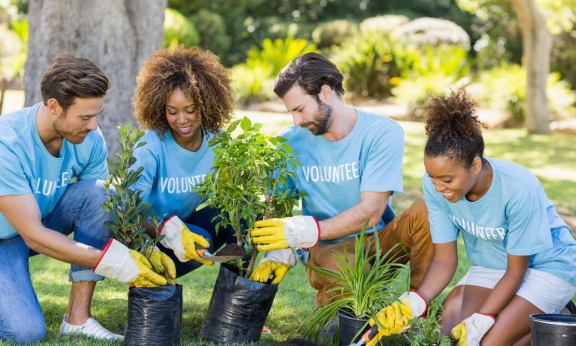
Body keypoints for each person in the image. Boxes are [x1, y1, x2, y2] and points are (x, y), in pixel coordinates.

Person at [366, 90, 576, 346]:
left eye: (447, 179)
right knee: (440, 335)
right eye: (432, 178)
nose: (438, 187)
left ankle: (554, 322)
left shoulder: (519, 189)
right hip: (492, 266)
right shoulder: (435, 187)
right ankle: (538, 317)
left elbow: (515, 272)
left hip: (546, 267)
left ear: (475, 166)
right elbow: (444, 260)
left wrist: (483, 318)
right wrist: (413, 302)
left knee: (486, 341)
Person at [0, 53, 175, 344]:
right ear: (54, 106)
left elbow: (103, 208)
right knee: (25, 333)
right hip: (14, 235)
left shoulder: (88, 141)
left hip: (33, 225)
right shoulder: (7, 143)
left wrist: (152, 240)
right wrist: (114, 261)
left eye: (96, 115)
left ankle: (77, 319)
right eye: (85, 117)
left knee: (98, 193)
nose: (93, 126)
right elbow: (33, 236)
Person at [249, 52, 434, 308]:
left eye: (300, 109)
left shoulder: (381, 132)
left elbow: (371, 212)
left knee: (425, 211)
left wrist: (307, 229)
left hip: (376, 243)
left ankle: (417, 309)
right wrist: (278, 254)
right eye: (292, 112)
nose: (297, 121)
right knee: (352, 279)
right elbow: (278, 206)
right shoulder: (290, 141)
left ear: (325, 92)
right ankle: (336, 303)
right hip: (326, 249)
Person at [131, 46, 296, 322]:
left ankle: (235, 308)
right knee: (196, 236)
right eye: (172, 111)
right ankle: (150, 282)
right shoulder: (151, 146)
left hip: (189, 236)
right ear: (160, 108)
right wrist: (166, 231)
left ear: (206, 104)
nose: (181, 120)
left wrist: (277, 237)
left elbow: (233, 201)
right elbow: (130, 209)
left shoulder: (217, 142)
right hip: (150, 245)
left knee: (246, 213)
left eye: (190, 110)